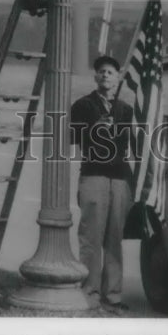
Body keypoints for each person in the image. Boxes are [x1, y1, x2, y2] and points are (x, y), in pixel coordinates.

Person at [70, 54, 134, 313]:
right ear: (95, 77)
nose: (106, 75)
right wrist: (95, 127)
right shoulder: (83, 106)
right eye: (102, 72)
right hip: (94, 173)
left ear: (118, 78)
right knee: (91, 237)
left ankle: (113, 294)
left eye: (111, 72)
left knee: (114, 238)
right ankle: (90, 292)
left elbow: (130, 143)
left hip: (119, 177)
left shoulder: (126, 110)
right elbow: (73, 137)